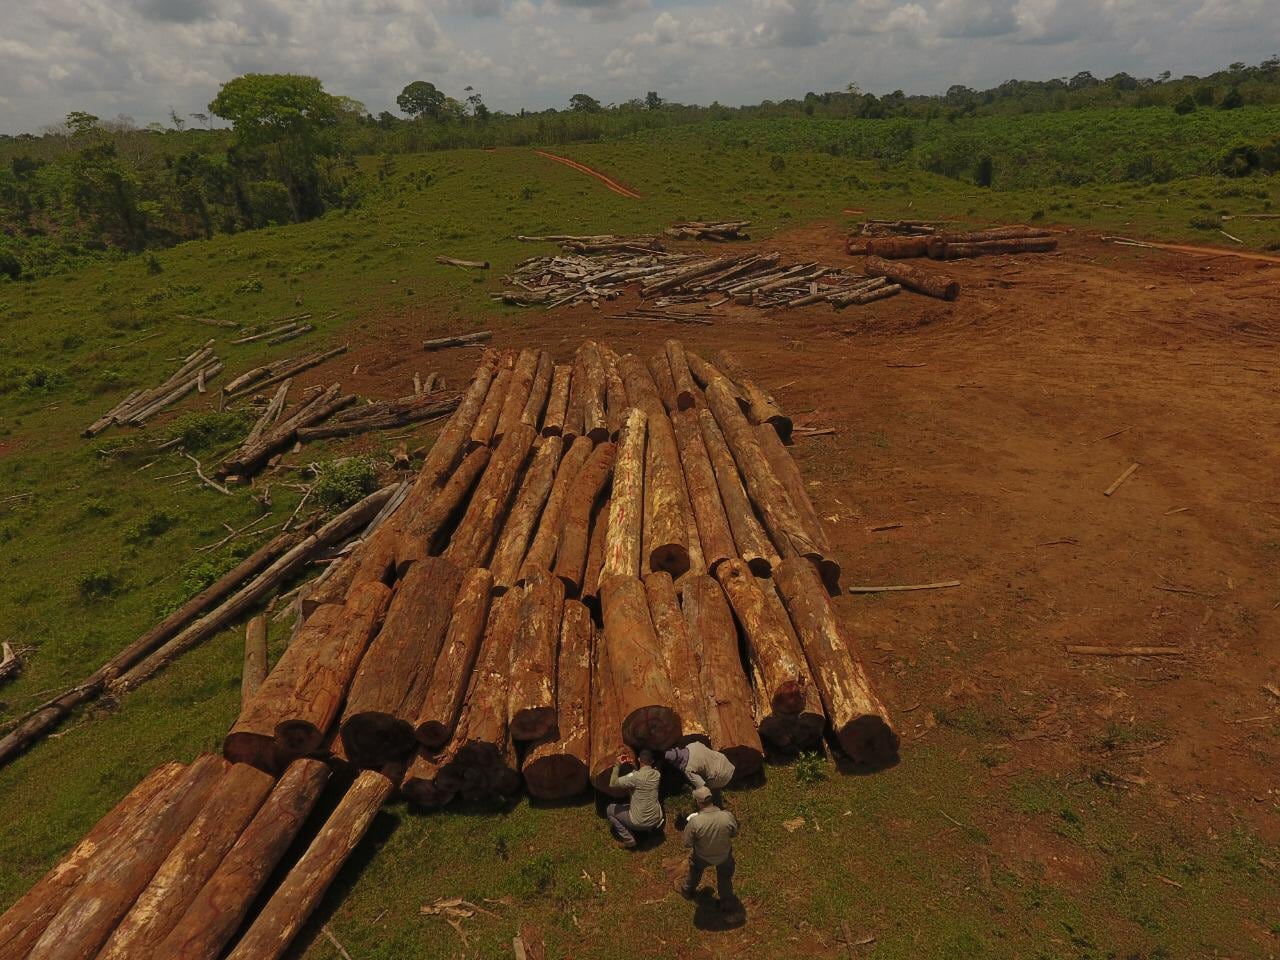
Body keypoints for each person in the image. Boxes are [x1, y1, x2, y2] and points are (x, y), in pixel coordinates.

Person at [674, 786, 741, 914]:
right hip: (724, 855)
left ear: (698, 802)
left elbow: (687, 843)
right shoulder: (727, 816)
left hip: (702, 855)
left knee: (695, 870)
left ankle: (687, 890)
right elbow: (734, 833)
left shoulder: (695, 822)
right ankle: (726, 903)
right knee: (725, 877)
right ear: (712, 799)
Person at [606, 749, 663, 849]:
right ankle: (653, 831)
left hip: (638, 822)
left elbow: (613, 783)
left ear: (639, 759)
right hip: (656, 819)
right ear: (652, 761)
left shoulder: (634, 777)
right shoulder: (657, 774)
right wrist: (632, 766)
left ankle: (629, 840)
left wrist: (617, 765)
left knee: (610, 810)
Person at [664, 742, 735, 792]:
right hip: (725, 761)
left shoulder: (688, 769)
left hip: (722, 776)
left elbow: (702, 787)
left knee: (699, 789)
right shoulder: (693, 745)